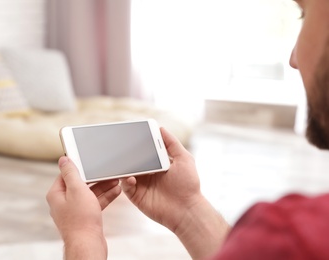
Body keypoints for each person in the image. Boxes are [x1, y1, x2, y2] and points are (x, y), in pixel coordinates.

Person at [46, 0, 329, 259]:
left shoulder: (293, 238)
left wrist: (84, 237)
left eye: (304, 15)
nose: (293, 58)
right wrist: (188, 209)